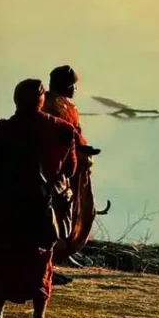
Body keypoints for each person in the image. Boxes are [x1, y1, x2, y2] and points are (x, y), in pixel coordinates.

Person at [0, 79, 77, 318]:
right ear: (42, 101)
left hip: (7, 209)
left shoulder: (2, 130)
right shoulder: (61, 130)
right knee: (41, 263)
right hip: (41, 209)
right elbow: (70, 168)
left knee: (4, 261)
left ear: (16, 100)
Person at [41, 65, 100, 263]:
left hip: (68, 170)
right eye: (73, 85)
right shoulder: (49, 106)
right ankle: (49, 261)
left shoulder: (68, 107)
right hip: (56, 171)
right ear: (66, 86)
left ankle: (54, 260)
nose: (75, 89)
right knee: (55, 216)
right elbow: (58, 138)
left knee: (67, 214)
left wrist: (83, 149)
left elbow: (75, 135)